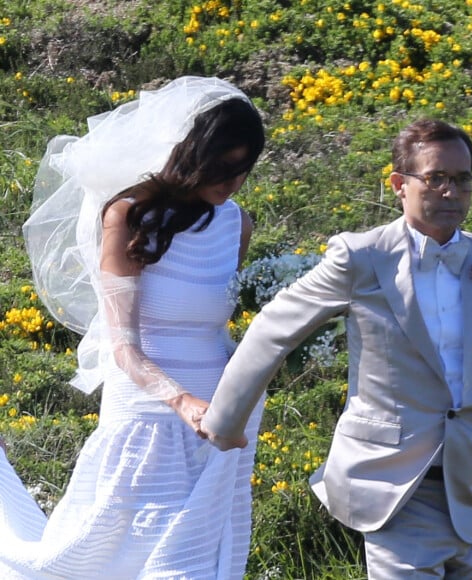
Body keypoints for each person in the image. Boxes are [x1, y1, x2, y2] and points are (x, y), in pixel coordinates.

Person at [200, 118, 472, 579]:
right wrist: (224, 424)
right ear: (400, 185)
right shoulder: (361, 257)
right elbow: (273, 328)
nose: (450, 191)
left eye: (462, 180)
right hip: (394, 490)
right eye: (436, 178)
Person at [0, 76, 265, 579]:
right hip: (148, 414)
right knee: (110, 556)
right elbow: (122, 347)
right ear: (189, 152)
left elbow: (220, 327)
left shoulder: (237, 224)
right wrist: (181, 401)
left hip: (220, 419)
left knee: (196, 562)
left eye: (243, 170)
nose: (232, 183)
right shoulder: (129, 215)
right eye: (222, 167)